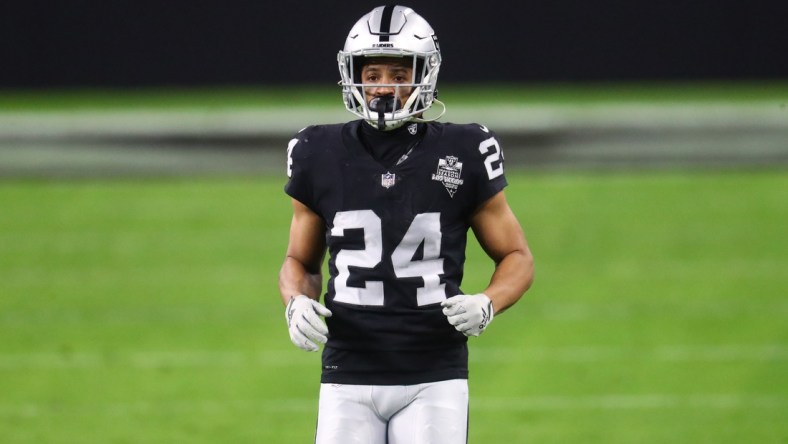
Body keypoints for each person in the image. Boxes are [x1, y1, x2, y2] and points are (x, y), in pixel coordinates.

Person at [279, 5, 534, 443]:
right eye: (372, 74)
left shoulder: (465, 149)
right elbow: (300, 262)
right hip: (348, 368)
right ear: (352, 75)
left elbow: (517, 256)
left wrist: (488, 302)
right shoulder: (315, 151)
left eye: (399, 74)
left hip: (434, 371)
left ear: (425, 76)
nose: (383, 88)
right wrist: (295, 301)